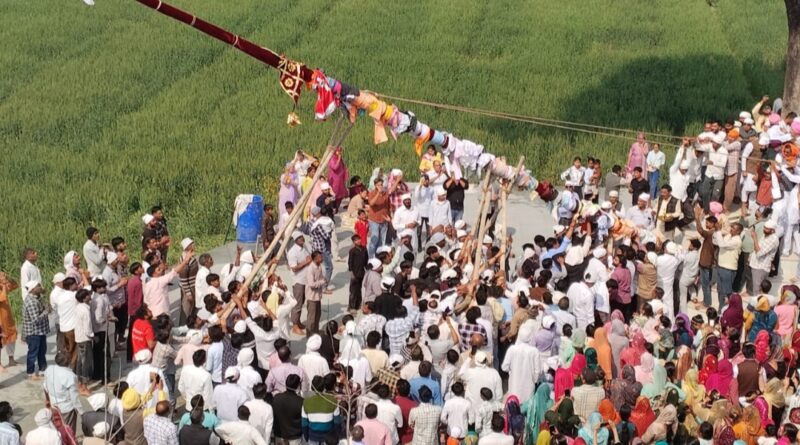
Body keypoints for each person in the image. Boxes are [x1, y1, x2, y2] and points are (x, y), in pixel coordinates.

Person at [143, 248, 194, 319]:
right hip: (162, 313)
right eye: (158, 270)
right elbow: (175, 271)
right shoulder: (159, 281)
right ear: (154, 274)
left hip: (153, 314)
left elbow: (146, 302)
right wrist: (185, 260)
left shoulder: (147, 284)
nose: (161, 271)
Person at [21, 281, 50, 380]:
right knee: (33, 353)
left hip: (40, 331)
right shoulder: (31, 302)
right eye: (38, 286)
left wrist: (45, 308)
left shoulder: (37, 297)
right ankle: (31, 372)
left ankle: (43, 369)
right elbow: (35, 320)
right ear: (33, 289)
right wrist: (46, 311)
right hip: (34, 332)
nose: (40, 287)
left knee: (42, 351)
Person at [287, 231, 311, 335]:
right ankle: (295, 326)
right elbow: (294, 268)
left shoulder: (305, 247)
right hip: (298, 281)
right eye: (300, 238)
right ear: (296, 241)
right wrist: (306, 262)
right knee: (297, 304)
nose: (302, 239)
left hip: (305, 279)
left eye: (302, 237)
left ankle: (298, 321)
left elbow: (309, 257)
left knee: (301, 302)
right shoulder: (292, 252)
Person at [272, 374, 304, 445]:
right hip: (294, 437)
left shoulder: (276, 398)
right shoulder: (300, 401)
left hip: (279, 436)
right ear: (298, 386)